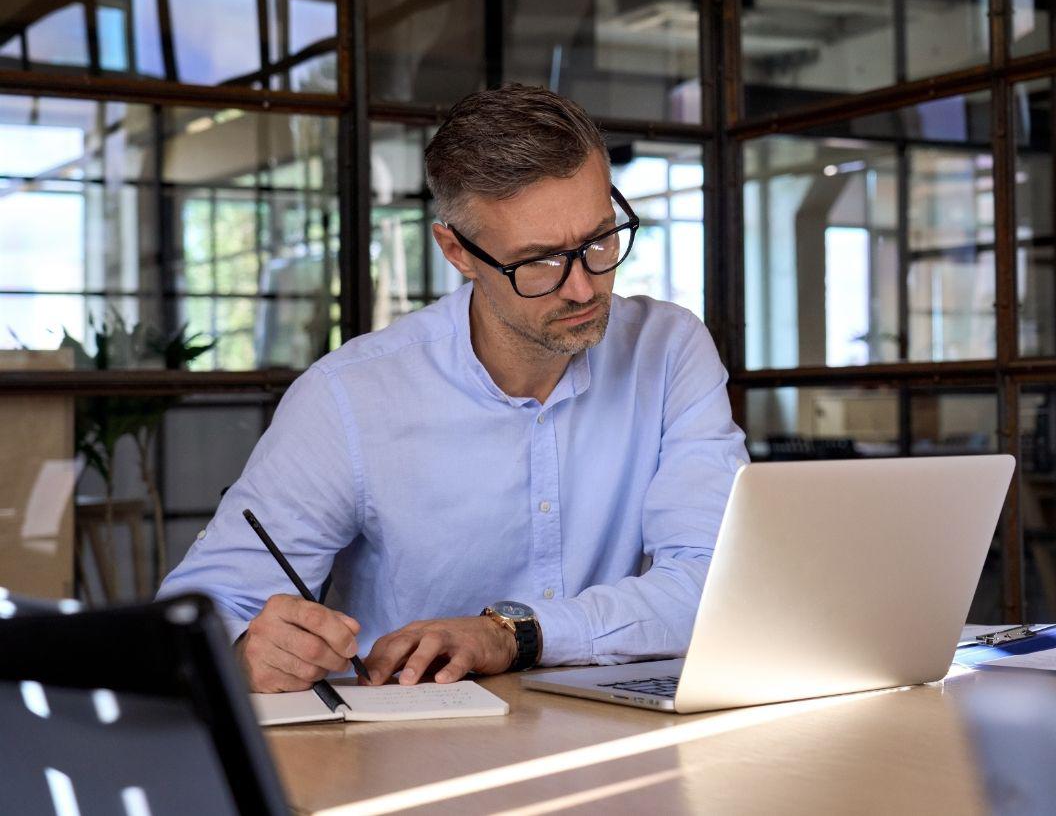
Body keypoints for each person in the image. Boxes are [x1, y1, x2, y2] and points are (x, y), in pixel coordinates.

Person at [157, 84, 748, 693]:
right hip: (408, 747)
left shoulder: (669, 348)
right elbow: (197, 613)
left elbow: (716, 582)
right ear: (457, 252)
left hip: (619, 736)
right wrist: (243, 648)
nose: (582, 288)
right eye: (539, 261)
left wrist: (512, 634)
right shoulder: (350, 397)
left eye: (599, 240)